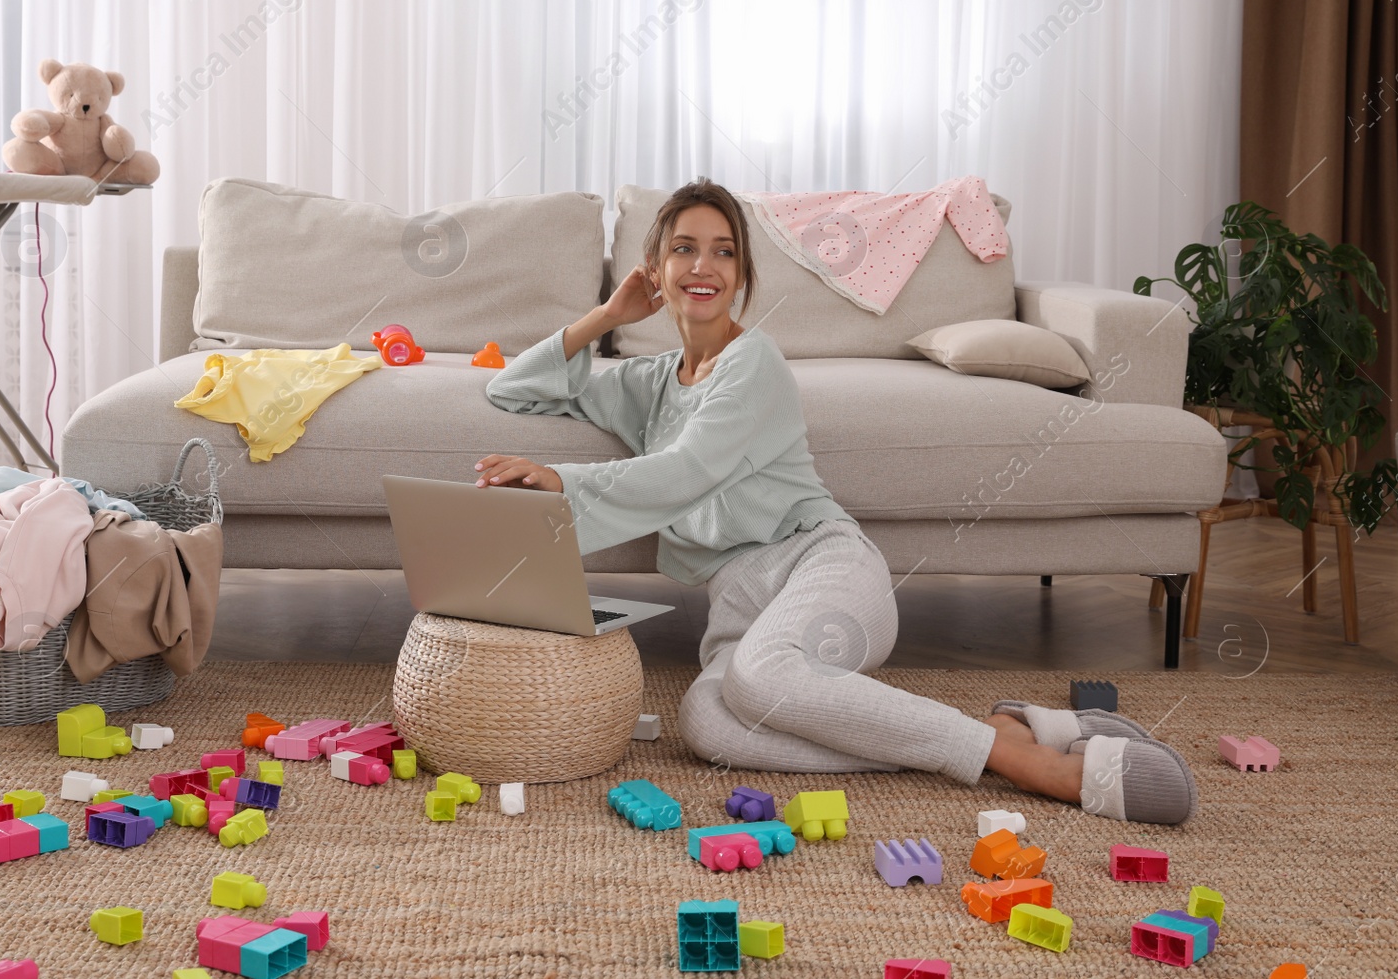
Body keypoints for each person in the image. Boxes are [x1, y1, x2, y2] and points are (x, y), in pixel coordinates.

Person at [478, 178, 1195, 823]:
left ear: (742, 277)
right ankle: (991, 733)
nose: (703, 266)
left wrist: (564, 481)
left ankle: (1027, 762)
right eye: (684, 250)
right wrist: (605, 316)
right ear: (657, 272)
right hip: (741, 603)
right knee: (707, 723)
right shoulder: (650, 382)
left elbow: (684, 471)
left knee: (763, 680)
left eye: (723, 252)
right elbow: (512, 385)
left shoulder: (752, 363)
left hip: (825, 568)